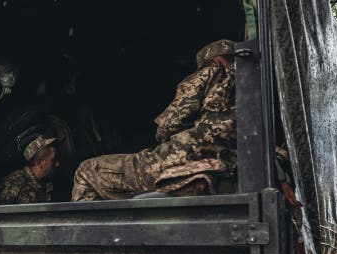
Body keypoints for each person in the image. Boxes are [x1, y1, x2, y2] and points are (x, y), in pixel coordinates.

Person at [72, 39, 237, 201]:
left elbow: (170, 125)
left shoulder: (213, 71)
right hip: (227, 160)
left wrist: (162, 138)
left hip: (189, 155)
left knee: (86, 170)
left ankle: (79, 228)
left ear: (214, 61)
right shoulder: (252, 83)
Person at [0, 134, 60, 204]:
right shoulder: (13, 184)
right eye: (53, 160)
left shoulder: (49, 183)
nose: (58, 164)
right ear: (40, 163)